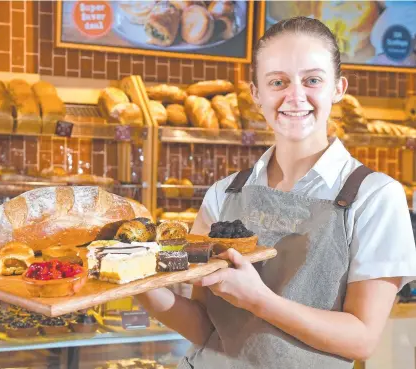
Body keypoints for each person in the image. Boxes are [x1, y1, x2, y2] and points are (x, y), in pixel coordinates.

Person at [136, 17, 416, 369]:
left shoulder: (374, 197)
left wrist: (258, 300)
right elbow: (206, 327)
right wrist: (140, 285)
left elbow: (361, 340)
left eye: (312, 80)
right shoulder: (225, 193)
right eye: (277, 82)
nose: (294, 96)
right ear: (256, 93)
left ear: (338, 88)